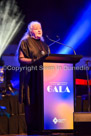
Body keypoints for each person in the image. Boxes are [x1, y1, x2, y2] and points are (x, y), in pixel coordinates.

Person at [17, 21, 50, 134]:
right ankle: (32, 130)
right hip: (30, 78)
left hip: (44, 79)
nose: (39, 30)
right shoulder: (25, 42)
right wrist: (34, 61)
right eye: (36, 28)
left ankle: (44, 128)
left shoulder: (45, 45)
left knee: (43, 103)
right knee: (31, 104)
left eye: (40, 28)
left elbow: (49, 60)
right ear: (31, 31)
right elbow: (21, 58)